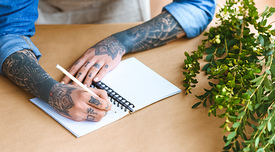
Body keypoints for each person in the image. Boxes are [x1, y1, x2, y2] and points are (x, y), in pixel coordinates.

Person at [0, 0, 216, 122]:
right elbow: (7, 30)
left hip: (119, 8)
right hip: (40, 12)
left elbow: (197, 6)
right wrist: (52, 92)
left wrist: (121, 42)